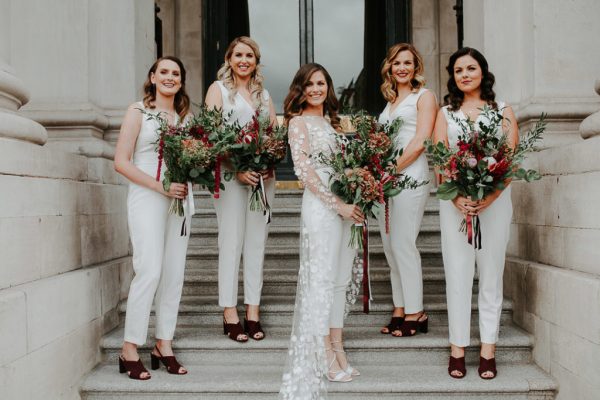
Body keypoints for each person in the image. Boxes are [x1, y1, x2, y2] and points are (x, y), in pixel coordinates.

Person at [279, 63, 365, 399]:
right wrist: (337, 205)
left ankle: (339, 347)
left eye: (321, 83)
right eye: (310, 84)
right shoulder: (298, 123)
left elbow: (350, 165)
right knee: (323, 280)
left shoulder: (335, 123)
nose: (316, 89)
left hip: (346, 205)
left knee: (341, 279)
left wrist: (359, 195)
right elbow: (304, 171)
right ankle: (323, 353)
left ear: (328, 86)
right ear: (300, 89)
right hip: (322, 207)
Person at [433, 47, 518, 379]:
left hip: (494, 204)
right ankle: (457, 348)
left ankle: (488, 349)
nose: (464, 74)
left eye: (470, 68)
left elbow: (510, 161)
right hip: (455, 203)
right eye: (458, 71)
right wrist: (455, 198)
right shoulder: (445, 113)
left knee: (491, 273)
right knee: (457, 273)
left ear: (483, 71)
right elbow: (440, 159)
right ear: (453, 77)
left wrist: (491, 196)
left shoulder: (504, 111)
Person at [114, 56, 192, 379]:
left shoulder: (185, 119)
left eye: (176, 73)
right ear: (153, 77)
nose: (170, 77)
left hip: (180, 200)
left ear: (181, 81)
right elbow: (121, 162)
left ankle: (164, 344)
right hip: (148, 195)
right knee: (149, 270)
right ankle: (129, 347)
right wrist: (160, 186)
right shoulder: (138, 112)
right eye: (164, 72)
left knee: (173, 273)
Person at [204, 36, 277, 342]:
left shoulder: (265, 95)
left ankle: (253, 312)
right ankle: (229, 312)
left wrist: (269, 161)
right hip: (231, 176)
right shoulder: (218, 90)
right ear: (229, 60)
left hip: (261, 179)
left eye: (250, 55)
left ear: (256, 61)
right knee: (231, 242)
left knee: (256, 243)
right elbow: (211, 133)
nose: (244, 60)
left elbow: (274, 134)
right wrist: (237, 167)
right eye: (238, 55)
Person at [376, 43, 437, 337]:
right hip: (386, 178)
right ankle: (400, 309)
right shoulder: (389, 103)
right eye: (397, 63)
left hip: (410, 173)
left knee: (403, 242)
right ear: (389, 67)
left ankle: (416, 311)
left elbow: (421, 139)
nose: (402, 68)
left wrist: (393, 169)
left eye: (408, 63)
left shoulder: (424, 97)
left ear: (416, 67)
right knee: (389, 244)